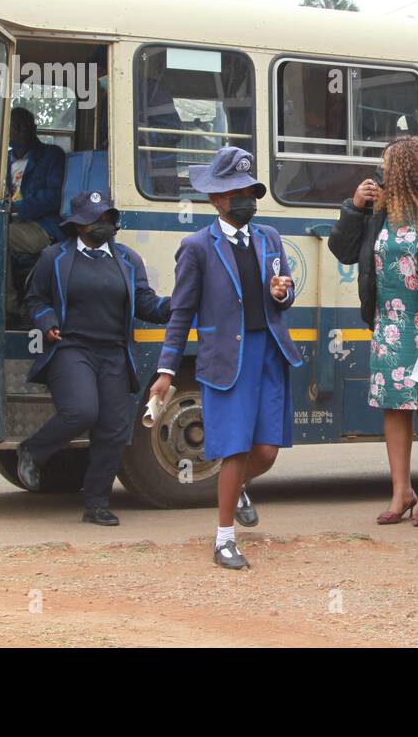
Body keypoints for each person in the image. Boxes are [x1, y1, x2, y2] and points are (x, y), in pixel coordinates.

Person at [149, 147, 302, 570]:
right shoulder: (196, 246)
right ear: (216, 199)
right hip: (226, 358)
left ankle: (238, 489)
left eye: (251, 191)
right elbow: (181, 312)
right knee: (233, 449)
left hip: (269, 352)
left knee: (267, 451)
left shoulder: (269, 237)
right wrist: (166, 369)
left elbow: (285, 294)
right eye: (236, 192)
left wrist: (283, 292)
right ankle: (223, 540)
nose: (246, 200)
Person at [15, 191, 171, 524]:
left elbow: (146, 303)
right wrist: (46, 321)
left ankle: (96, 503)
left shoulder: (128, 259)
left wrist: (175, 306)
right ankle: (32, 450)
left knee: (114, 428)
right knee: (82, 411)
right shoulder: (53, 257)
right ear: (79, 225)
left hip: (114, 352)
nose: (104, 224)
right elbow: (35, 300)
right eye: (96, 219)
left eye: (108, 218)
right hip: (71, 348)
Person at [327, 137, 418, 526]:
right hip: (388, 324)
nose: (380, 172)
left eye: (387, 164)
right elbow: (344, 251)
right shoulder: (379, 211)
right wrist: (354, 207)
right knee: (393, 408)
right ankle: (401, 490)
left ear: (407, 169)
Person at [6, 106, 66, 314]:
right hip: (14, 224)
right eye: (15, 127)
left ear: (34, 129)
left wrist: (17, 209)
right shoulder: (3, 161)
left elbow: (54, 196)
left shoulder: (51, 155)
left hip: (44, 227)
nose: (21, 131)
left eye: (26, 126)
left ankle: (9, 305)